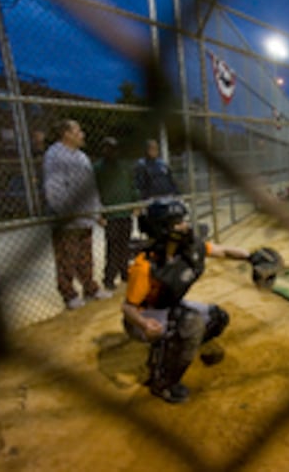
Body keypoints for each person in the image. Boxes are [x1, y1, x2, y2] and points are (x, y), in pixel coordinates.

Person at [122, 197, 255, 403]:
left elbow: (222, 250)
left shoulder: (188, 248)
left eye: (183, 220)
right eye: (177, 222)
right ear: (162, 229)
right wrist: (143, 323)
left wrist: (251, 257)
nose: (185, 226)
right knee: (191, 324)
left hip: (170, 308)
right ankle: (163, 382)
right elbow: (128, 307)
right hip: (144, 316)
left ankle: (172, 349)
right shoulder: (145, 265)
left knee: (217, 318)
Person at [43, 119, 113, 310]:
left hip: (85, 216)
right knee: (66, 259)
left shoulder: (82, 157)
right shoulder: (55, 155)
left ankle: (90, 289)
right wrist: (65, 212)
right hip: (67, 219)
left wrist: (96, 212)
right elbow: (53, 189)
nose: (82, 134)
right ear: (66, 134)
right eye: (78, 131)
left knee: (85, 257)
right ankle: (69, 295)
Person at [93, 136, 138, 290]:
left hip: (125, 212)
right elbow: (93, 192)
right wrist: (98, 213)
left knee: (125, 245)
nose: (110, 152)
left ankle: (124, 272)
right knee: (112, 247)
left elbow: (133, 185)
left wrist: (136, 203)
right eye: (107, 148)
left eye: (113, 148)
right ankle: (109, 278)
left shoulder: (124, 166)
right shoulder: (98, 168)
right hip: (110, 214)